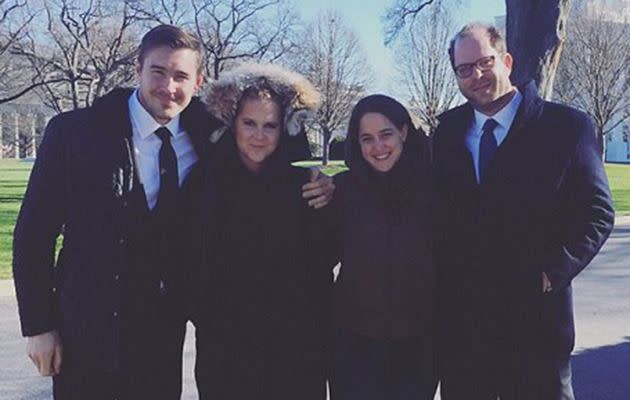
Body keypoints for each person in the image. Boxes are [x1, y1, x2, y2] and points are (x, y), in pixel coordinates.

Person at [12, 25, 332, 399]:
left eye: (180, 76)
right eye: (158, 72)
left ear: (198, 82)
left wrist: (318, 179)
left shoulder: (207, 131)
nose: (168, 87)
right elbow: (34, 232)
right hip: (90, 331)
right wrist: (39, 326)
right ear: (138, 69)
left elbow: (270, 141)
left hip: (161, 337)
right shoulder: (76, 133)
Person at [433, 23, 615, 399]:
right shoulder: (446, 134)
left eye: (485, 62)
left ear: (507, 61)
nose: (476, 75)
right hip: (466, 333)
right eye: (464, 69)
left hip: (538, 329)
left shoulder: (566, 127)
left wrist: (554, 269)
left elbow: (597, 212)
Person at [187, 63, 334, 400]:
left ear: (284, 130)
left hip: (296, 352)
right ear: (232, 123)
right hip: (225, 350)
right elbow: (189, 260)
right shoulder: (205, 184)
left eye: (270, 125)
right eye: (249, 123)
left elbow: (322, 264)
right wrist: (207, 318)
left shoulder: (305, 186)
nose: (259, 135)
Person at [328, 95, 437, 400]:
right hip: (354, 344)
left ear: (403, 131)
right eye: (367, 139)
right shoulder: (343, 190)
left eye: (386, 134)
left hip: (417, 345)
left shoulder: (434, 188)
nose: (378, 147)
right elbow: (319, 255)